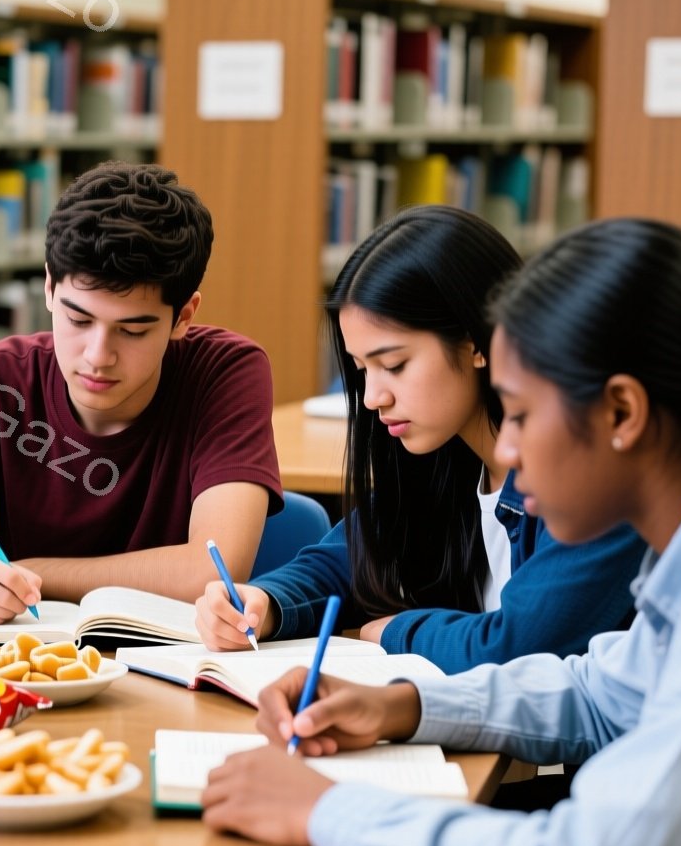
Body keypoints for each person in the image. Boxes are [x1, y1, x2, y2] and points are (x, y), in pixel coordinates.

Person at [200, 218, 681, 846]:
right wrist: (400, 706)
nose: (507, 452)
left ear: (622, 414)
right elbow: (602, 696)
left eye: (518, 414)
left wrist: (327, 811)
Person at [195, 206, 645, 673]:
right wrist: (264, 603)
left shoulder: (584, 479)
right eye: (362, 368)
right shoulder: (445, 455)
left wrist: (394, 632)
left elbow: (518, 647)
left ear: (475, 341)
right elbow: (344, 562)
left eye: (394, 365)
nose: (372, 397)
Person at [0, 161, 283, 622]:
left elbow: (212, 572)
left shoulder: (227, 372)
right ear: (50, 288)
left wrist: (31, 572)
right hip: (29, 666)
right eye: (78, 320)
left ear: (184, 317)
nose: (98, 355)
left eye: (132, 331)